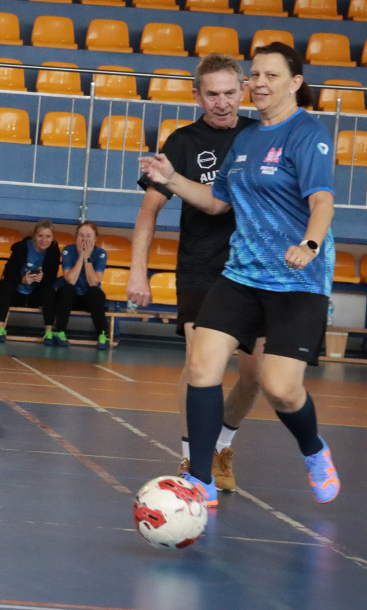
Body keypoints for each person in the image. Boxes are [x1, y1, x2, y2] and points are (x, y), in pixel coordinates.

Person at [139, 41, 340, 507]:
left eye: (272, 75)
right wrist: (171, 178)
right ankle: (202, 479)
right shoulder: (245, 139)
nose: (260, 83)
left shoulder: (308, 134)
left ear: (294, 83)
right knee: (201, 367)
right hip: (242, 274)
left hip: (297, 279)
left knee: (280, 387)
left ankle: (313, 449)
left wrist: (309, 244)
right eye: (256, 75)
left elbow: (323, 201)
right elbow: (217, 201)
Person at [128, 53, 262, 493]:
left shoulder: (262, 135)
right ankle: (193, 460)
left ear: (243, 89)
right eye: (212, 94)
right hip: (202, 268)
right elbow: (149, 212)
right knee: (199, 364)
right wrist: (138, 272)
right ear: (197, 95)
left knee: (256, 373)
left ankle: (223, 444)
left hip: (258, 268)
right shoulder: (182, 142)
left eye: (229, 92)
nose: (222, 103)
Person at [0, 220, 60, 344]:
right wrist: (22, 279)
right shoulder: (21, 247)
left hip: (35, 295)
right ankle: (0, 329)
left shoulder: (54, 251)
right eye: (40, 236)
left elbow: (51, 277)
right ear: (34, 236)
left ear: (52, 238)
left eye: (48, 237)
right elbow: (9, 273)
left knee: (49, 289)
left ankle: (48, 332)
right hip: (17, 292)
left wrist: (42, 278)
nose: (44, 240)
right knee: (5, 285)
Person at [53, 222, 109, 349]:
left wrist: (87, 258)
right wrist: (81, 257)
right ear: (76, 236)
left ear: (95, 238)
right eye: (81, 235)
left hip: (89, 299)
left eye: (89, 236)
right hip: (71, 298)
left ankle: (103, 335)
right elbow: (70, 280)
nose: (84, 239)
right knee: (67, 288)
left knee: (95, 292)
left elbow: (94, 282)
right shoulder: (68, 250)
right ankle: (60, 332)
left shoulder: (101, 253)